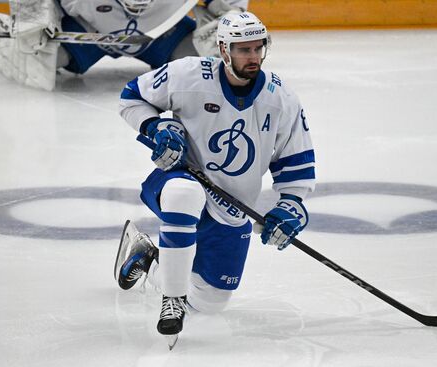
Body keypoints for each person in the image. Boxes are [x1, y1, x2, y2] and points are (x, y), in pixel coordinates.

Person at [115, 11, 315, 348]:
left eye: (258, 49)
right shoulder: (187, 75)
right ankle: (172, 300)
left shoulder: (281, 99)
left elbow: (294, 162)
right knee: (183, 193)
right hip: (179, 178)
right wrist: (156, 126)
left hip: (233, 208)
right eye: (243, 50)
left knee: (211, 301)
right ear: (223, 50)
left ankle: (150, 260)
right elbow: (132, 97)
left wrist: (292, 205)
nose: (253, 57)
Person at [57, 0, 248, 74]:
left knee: (211, 64)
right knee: (37, 55)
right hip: (88, 28)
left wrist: (230, 11)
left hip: (163, 31)